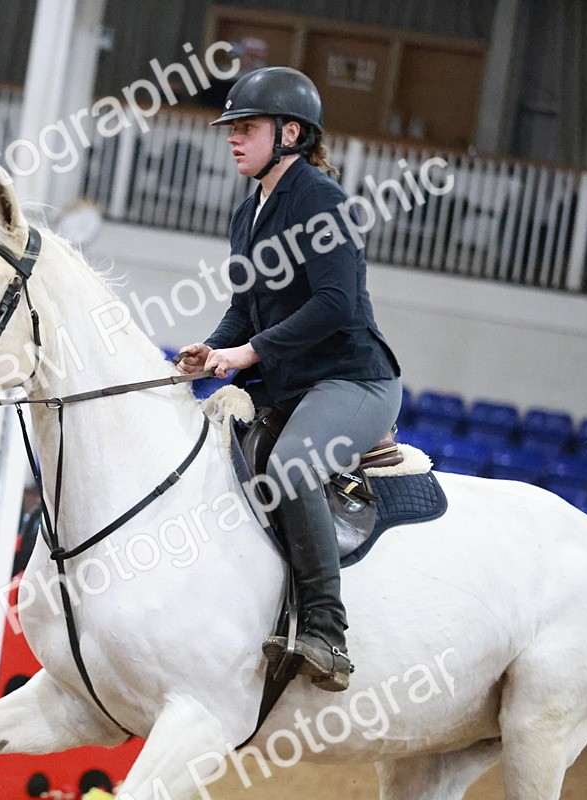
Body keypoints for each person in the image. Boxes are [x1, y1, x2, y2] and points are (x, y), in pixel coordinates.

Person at [176, 66, 402, 692]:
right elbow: (244, 311)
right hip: (288, 383)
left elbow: (336, 305)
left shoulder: (323, 201)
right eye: (232, 129)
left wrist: (249, 353)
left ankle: (327, 632)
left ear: (290, 133)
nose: (233, 139)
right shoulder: (247, 215)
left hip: (354, 382)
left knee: (293, 465)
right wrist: (213, 348)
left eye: (245, 128)